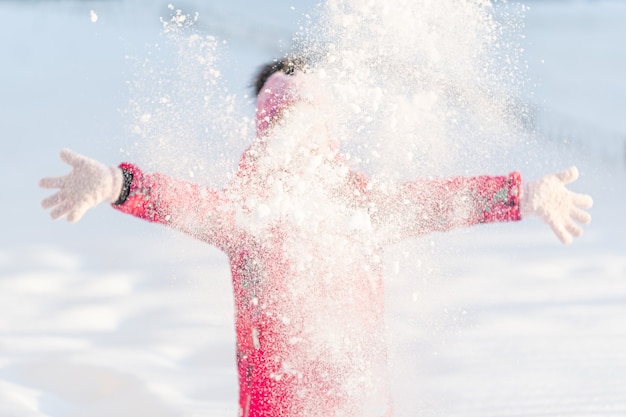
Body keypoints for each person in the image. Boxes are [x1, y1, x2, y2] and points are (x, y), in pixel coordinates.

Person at [39, 57, 593, 417]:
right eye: (284, 120)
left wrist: (521, 195)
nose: (295, 137)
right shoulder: (246, 214)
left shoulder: (363, 207)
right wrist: (117, 184)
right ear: (265, 128)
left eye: (305, 120)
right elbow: (178, 201)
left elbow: (444, 202)